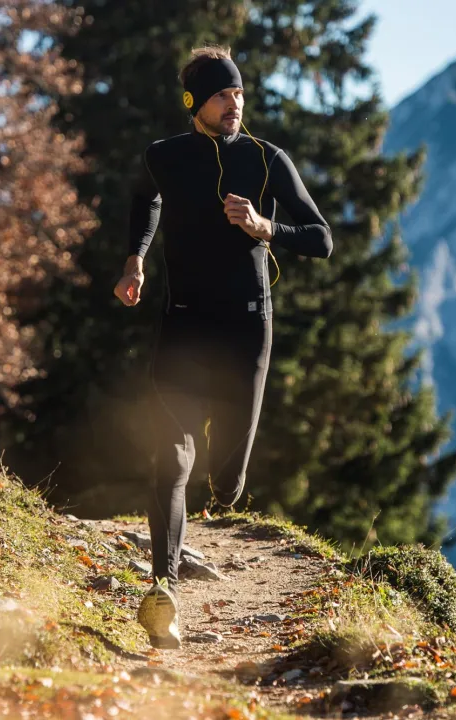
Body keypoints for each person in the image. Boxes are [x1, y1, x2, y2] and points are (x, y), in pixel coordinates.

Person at [113, 44, 332, 649]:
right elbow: (145, 198)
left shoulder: (266, 159)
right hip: (183, 326)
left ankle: (225, 491)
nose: (234, 103)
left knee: (227, 479)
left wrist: (266, 228)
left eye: (238, 93)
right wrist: (134, 259)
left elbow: (321, 239)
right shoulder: (164, 156)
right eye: (220, 95)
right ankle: (163, 590)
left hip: (246, 327)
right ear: (194, 102)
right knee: (171, 459)